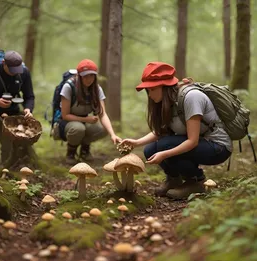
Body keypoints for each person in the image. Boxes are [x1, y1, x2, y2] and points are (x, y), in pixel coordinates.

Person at [120, 62, 232, 200]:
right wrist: (136, 142)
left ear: (165, 86)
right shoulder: (168, 102)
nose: (149, 95)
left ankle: (196, 181)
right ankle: (174, 180)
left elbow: (192, 141)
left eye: (152, 89)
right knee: (150, 150)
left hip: (217, 147)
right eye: (147, 90)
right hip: (200, 144)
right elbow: (160, 132)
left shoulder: (191, 97)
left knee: (164, 145)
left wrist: (164, 154)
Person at [58, 59, 121, 164]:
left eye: (91, 75)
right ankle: (71, 152)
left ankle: (84, 150)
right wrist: (85, 119)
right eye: (85, 76)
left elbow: (103, 114)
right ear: (79, 76)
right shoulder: (68, 87)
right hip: (67, 122)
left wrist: (112, 134)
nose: (89, 79)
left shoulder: (96, 89)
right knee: (78, 128)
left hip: (85, 121)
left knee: (104, 128)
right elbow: (65, 115)